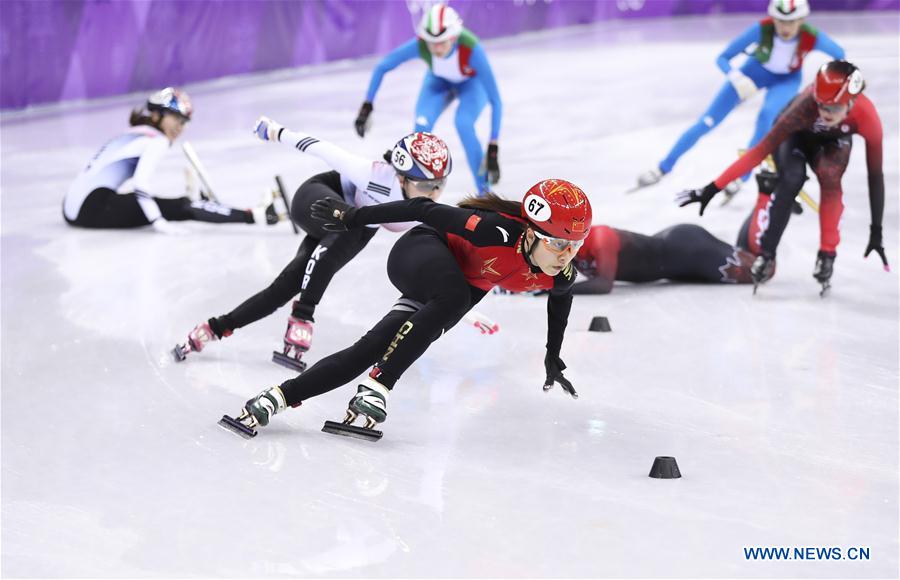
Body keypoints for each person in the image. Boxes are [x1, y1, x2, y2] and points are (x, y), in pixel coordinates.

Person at [219, 179, 593, 439]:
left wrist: (552, 356)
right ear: (530, 233)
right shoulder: (493, 231)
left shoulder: (560, 275)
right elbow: (422, 208)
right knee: (454, 300)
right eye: (558, 244)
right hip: (421, 254)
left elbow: (562, 303)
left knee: (370, 349)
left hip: (449, 293)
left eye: (575, 246)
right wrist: (350, 217)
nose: (566, 256)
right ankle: (379, 385)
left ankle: (276, 397)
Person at [173, 119, 477, 369]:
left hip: (353, 225)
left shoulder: (425, 210)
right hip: (317, 199)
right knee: (347, 227)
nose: (434, 193)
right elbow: (322, 148)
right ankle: (303, 314)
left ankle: (214, 328)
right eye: (426, 185)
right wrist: (277, 132)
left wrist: (467, 304)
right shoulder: (373, 174)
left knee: (287, 284)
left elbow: (453, 260)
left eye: (441, 184)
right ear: (400, 176)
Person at [677, 60, 888, 294]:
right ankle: (766, 255)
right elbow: (759, 151)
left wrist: (876, 231)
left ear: (851, 102)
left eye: (834, 108)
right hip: (795, 136)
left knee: (830, 178)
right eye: (822, 106)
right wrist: (713, 188)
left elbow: (875, 177)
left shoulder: (867, 117)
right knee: (791, 179)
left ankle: (826, 255)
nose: (826, 113)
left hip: (831, 144)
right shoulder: (804, 106)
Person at [636, 0, 844, 196]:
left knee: (767, 117)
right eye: (780, 21)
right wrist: (737, 78)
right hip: (752, 73)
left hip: (786, 81)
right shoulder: (761, 29)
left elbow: (839, 55)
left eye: (791, 22)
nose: (785, 27)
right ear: (773, 18)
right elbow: (723, 57)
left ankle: (740, 178)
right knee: (707, 122)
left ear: (802, 20)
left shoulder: (813, 37)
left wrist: (824, 84)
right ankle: (663, 167)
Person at [63, 87, 280, 232]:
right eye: (176, 118)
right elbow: (141, 184)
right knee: (181, 207)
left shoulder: (135, 133)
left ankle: (201, 202)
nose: (180, 127)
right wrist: (158, 221)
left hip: (74, 207)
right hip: (92, 209)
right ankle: (256, 216)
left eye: (184, 122)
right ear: (157, 115)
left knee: (169, 204)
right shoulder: (156, 140)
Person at [355, 4, 502, 195]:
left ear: (454, 37)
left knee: (463, 123)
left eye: (442, 42)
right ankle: (413, 192)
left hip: (470, 85)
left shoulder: (471, 47)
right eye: (431, 42)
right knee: (420, 130)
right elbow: (382, 66)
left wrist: (493, 146)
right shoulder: (421, 45)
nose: (436, 48)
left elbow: (496, 100)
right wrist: (367, 106)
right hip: (437, 83)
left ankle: (484, 193)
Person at [564, 223, 755, 294]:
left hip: (686, 249)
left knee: (758, 271)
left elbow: (604, 284)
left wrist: (556, 289)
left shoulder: (601, 237)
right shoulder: (567, 250)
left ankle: (765, 202)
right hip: (678, 268)